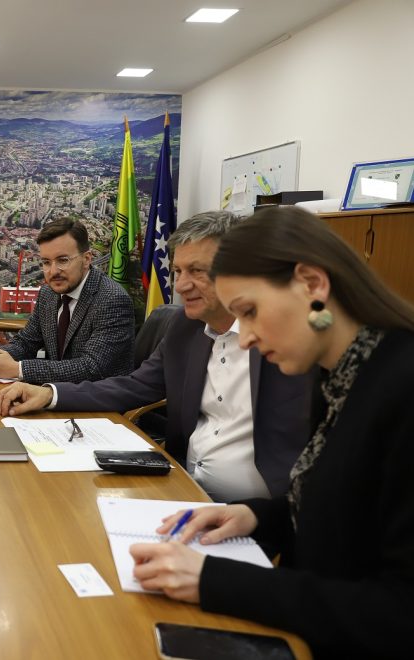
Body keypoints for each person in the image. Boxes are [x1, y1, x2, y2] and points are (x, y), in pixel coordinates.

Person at [129, 207, 414, 657]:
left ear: (312, 285)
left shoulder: (400, 388)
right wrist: (259, 515)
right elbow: (345, 506)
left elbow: (398, 613)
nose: (244, 339)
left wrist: (213, 580)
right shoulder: (340, 373)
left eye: (250, 312)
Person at [0, 211, 313, 501]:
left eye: (197, 271)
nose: (182, 285)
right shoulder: (186, 328)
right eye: (177, 271)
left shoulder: (288, 342)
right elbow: (133, 386)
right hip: (181, 487)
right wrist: (49, 394)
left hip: (261, 512)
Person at [0, 217, 134, 384]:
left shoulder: (112, 300)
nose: (53, 271)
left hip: (98, 397)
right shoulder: (48, 293)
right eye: (46, 262)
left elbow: (92, 368)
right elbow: (26, 342)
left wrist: (18, 369)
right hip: (56, 392)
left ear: (86, 259)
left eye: (63, 260)